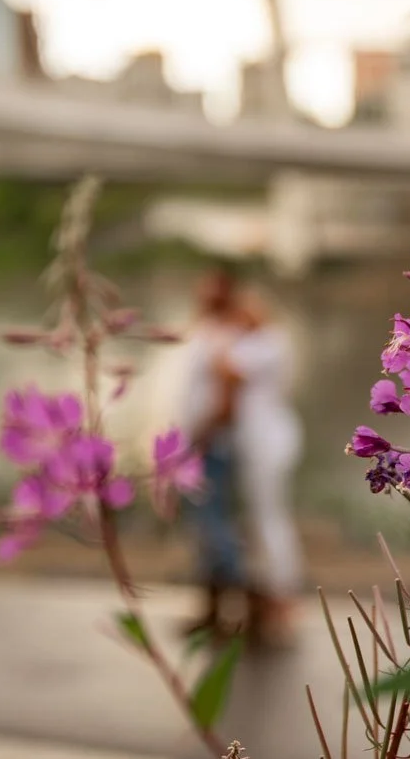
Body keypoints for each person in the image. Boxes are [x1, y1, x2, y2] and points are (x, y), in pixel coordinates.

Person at [213, 289, 305, 648]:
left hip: (268, 442)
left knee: (270, 518)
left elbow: (225, 368)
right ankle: (266, 593)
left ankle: (281, 592)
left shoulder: (268, 342)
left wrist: (221, 336)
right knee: (259, 518)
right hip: (256, 442)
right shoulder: (261, 343)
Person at [175, 266, 248, 638]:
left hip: (211, 445)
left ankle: (241, 609)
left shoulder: (227, 336)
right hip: (197, 443)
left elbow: (227, 400)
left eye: (213, 287)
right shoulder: (203, 332)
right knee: (204, 527)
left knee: (214, 526)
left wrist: (199, 438)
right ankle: (212, 611)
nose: (205, 292)